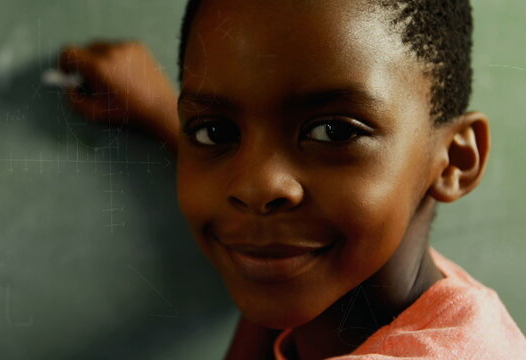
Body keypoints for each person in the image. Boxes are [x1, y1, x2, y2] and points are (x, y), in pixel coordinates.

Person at [58, 0, 526, 358]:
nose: (253, 188)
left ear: (454, 161)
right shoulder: (375, 276)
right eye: (216, 131)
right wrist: (165, 115)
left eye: (334, 131)